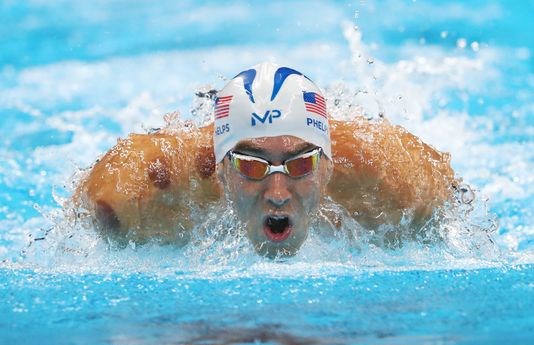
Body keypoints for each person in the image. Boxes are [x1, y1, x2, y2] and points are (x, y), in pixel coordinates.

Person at [74, 62, 455, 257]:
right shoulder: (147, 197)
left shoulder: (388, 184)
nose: (276, 192)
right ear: (221, 172)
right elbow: (87, 208)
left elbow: (454, 199)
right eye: (252, 166)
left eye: (301, 164)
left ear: (328, 168)